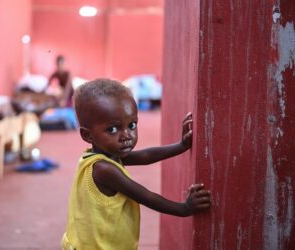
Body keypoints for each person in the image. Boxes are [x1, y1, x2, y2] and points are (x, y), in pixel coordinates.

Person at [61, 79, 211, 250]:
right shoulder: (103, 169)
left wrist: (181, 145)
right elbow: (146, 196)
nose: (126, 135)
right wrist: (184, 208)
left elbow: (146, 155)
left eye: (132, 125)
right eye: (112, 129)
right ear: (88, 135)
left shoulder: (104, 156)